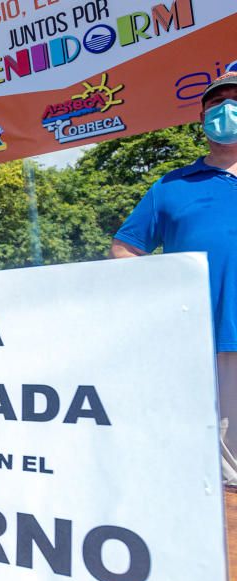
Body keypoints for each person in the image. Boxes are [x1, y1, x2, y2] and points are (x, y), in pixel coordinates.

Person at [110, 72, 237, 483]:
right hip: (209, 348)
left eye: (235, 99)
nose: (226, 110)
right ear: (201, 117)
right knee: (223, 476)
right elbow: (125, 250)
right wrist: (158, 306)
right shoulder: (171, 187)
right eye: (217, 103)